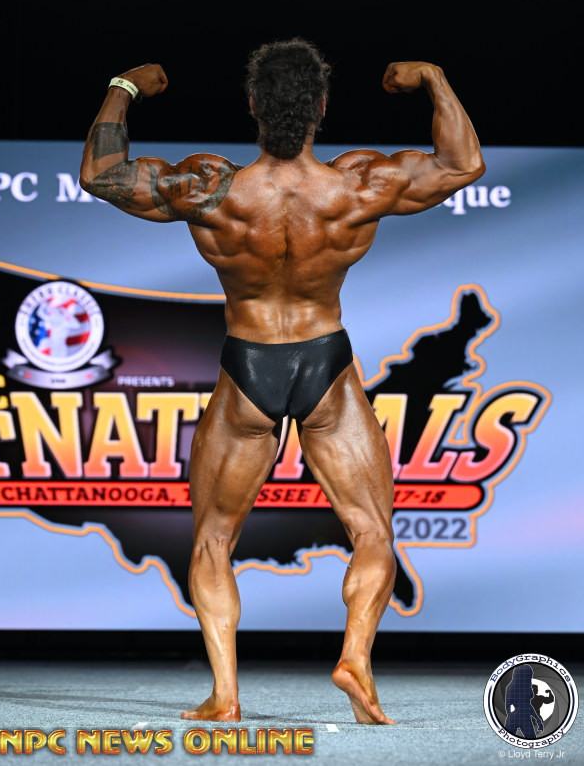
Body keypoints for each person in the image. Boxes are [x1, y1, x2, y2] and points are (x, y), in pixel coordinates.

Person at [79, 39, 485, 725]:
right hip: (325, 361)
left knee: (213, 540)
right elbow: (462, 163)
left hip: (249, 364)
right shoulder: (358, 185)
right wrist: (434, 79)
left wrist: (125, 84)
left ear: (252, 107)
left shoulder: (211, 186)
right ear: (322, 108)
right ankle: (355, 657)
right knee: (372, 531)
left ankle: (226, 694)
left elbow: (102, 173)